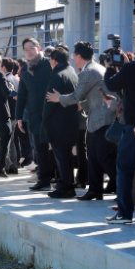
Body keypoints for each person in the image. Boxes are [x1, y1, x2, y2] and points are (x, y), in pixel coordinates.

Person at [46, 41, 117, 201]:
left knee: (103, 157)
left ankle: (125, 186)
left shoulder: (88, 72)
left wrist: (59, 98)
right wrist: (81, 104)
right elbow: (88, 96)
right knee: (93, 156)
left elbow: (76, 96)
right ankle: (95, 189)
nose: (72, 58)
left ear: (78, 56)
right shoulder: (97, 67)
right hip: (98, 118)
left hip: (101, 119)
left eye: (73, 55)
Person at [103, 29, 135, 223]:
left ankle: (125, 213)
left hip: (133, 123)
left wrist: (110, 66)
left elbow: (111, 84)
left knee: (124, 168)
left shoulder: (132, 67)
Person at [16, 37, 54, 191]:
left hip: (52, 113)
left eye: (32, 48)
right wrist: (19, 116)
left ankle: (63, 181)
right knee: (39, 148)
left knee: (56, 149)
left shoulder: (48, 64)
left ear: (39, 48)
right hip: (34, 115)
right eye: (26, 49)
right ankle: (44, 180)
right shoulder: (25, 68)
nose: (29, 51)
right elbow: (22, 94)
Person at [42, 47, 79, 198]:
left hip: (58, 124)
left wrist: (44, 120)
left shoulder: (57, 75)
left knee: (61, 156)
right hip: (72, 120)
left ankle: (65, 186)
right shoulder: (72, 73)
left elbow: (49, 101)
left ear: (54, 61)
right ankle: (68, 184)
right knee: (68, 156)